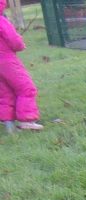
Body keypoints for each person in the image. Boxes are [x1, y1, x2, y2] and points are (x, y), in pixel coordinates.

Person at [0, 0, 42, 132]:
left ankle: (9, 126)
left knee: (5, 93)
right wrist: (20, 46)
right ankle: (27, 121)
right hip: (6, 61)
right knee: (26, 88)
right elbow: (13, 39)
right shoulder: (1, 21)